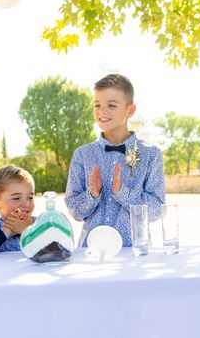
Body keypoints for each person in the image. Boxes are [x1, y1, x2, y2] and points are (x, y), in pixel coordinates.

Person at [65, 74, 165, 247]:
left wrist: (122, 193)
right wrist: (92, 195)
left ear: (130, 110)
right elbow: (75, 211)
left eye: (111, 105)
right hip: (91, 251)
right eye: (97, 105)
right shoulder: (82, 155)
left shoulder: (151, 155)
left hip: (134, 250)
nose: (102, 111)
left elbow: (157, 210)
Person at [0, 165, 35, 253]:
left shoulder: (39, 223)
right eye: (16, 198)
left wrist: (29, 231)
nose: (26, 204)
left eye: (30, 198)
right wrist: (7, 230)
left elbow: (53, 250)